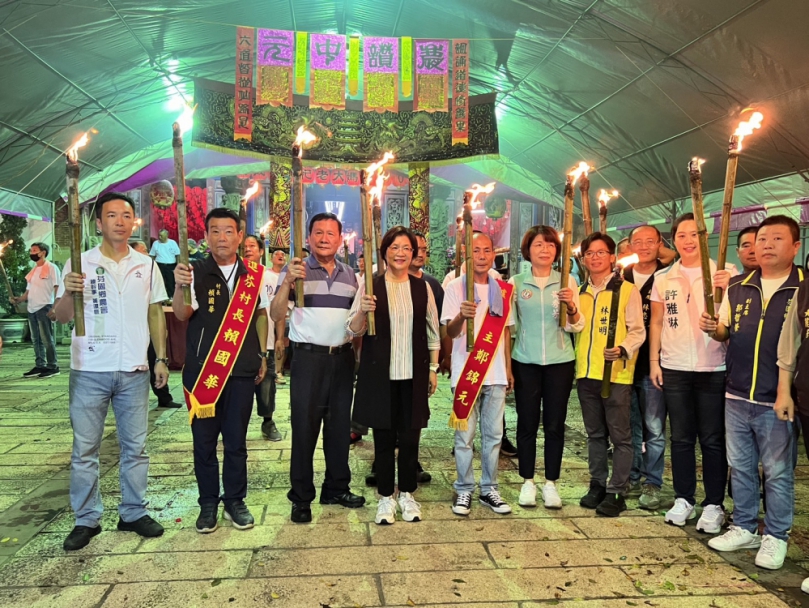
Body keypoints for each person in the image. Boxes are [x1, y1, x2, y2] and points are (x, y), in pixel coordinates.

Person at [53, 192, 168, 550]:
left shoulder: (146, 265)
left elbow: (155, 313)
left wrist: (160, 358)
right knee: (85, 449)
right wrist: (68, 295)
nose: (120, 221)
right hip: (89, 368)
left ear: (134, 221)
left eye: (126, 215)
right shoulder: (79, 262)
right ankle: (86, 518)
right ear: (98, 223)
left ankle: (133, 511)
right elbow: (60, 317)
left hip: (133, 368)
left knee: (136, 447)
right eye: (112, 215)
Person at [700, 216, 801, 569]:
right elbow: (726, 331)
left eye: (777, 238)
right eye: (761, 239)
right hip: (737, 392)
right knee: (740, 466)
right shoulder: (739, 286)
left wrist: (787, 391)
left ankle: (776, 535)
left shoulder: (803, 288)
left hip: (779, 398)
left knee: (776, 471)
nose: (767, 245)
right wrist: (713, 328)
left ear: (796, 246)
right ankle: (744, 525)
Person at [173, 208, 269, 534]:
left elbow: (260, 316)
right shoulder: (195, 271)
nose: (222, 238)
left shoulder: (254, 274)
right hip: (204, 373)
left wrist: (263, 354)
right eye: (215, 231)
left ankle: (235, 500)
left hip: (242, 371)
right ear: (206, 236)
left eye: (229, 231)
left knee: (236, 442)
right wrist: (179, 286)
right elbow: (182, 313)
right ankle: (208, 503)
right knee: (203, 443)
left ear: (240, 236)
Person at [271, 212, 364, 523]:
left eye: (331, 233)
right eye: (319, 233)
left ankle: (336, 487)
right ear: (308, 238)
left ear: (340, 239)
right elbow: (275, 313)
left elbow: (356, 323)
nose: (325, 238)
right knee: (304, 428)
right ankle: (301, 497)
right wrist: (287, 281)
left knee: (339, 428)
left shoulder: (352, 276)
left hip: (342, 358)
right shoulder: (296, 271)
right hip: (308, 360)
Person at [348, 226, 440, 524]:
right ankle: (386, 497)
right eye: (394, 248)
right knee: (384, 438)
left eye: (406, 248)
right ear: (384, 251)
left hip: (413, 374)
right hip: (380, 375)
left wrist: (434, 368)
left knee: (411, 435)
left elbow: (433, 332)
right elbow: (351, 329)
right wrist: (363, 311)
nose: (400, 253)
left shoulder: (421, 287)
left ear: (414, 254)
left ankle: (408, 494)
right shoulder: (371, 286)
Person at [649, 213, 733, 532]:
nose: (687, 241)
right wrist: (655, 362)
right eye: (681, 235)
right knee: (681, 437)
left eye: (693, 234)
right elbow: (657, 321)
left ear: (705, 235)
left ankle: (714, 503)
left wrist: (720, 326)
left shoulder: (724, 274)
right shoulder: (665, 278)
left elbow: (731, 325)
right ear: (674, 240)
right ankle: (684, 497)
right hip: (675, 367)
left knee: (712, 439)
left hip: (713, 367)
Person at [509, 226, 583, 509]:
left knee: (554, 424)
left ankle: (551, 483)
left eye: (550, 245)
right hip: (525, 361)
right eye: (538, 244)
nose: (545, 249)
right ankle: (527, 481)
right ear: (528, 250)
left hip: (559, 363)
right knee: (527, 423)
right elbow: (510, 326)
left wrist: (572, 307)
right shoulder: (516, 283)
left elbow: (576, 325)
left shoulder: (568, 283)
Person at [444, 232, 514, 516]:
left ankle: (489, 488)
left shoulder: (502, 289)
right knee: (464, 437)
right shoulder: (455, 287)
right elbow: (448, 331)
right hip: (465, 373)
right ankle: (464, 488)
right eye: (476, 250)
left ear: (494, 254)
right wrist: (462, 315)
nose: (483, 255)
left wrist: (508, 369)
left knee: (494, 434)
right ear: (466, 253)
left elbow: (506, 332)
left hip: (495, 373)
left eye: (487, 250)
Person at [575, 232, 645, 517]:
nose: (595, 257)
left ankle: (618, 489)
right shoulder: (580, 292)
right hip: (586, 372)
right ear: (583, 259)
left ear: (612, 256)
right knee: (594, 434)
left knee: (620, 436)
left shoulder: (627, 290)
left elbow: (638, 331)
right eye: (589, 253)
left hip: (616, 374)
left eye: (601, 252)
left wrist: (622, 349)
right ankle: (597, 483)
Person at [624, 226, 668, 509]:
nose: (643, 246)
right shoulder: (621, 278)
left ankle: (653, 482)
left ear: (659, 244)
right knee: (628, 427)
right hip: (625, 363)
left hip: (656, 364)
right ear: (630, 245)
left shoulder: (667, 276)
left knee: (654, 427)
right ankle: (630, 475)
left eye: (649, 241)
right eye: (637, 241)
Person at [131, 240, 182, 409]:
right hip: (132, 333)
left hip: (149, 330)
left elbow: (156, 309)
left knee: (156, 361)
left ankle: (164, 397)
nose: (147, 252)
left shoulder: (150, 269)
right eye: (143, 250)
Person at [243, 236, 284, 441]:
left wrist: (279, 336)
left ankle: (268, 421)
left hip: (265, 339)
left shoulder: (270, 277)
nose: (248, 250)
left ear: (261, 252)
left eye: (252, 246)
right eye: (244, 247)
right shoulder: (236, 275)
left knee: (266, 384)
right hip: (238, 341)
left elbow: (277, 310)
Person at [11, 242, 61, 378]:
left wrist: (56, 307)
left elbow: (58, 288)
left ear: (43, 252)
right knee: (36, 339)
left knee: (46, 338)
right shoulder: (33, 270)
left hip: (45, 306)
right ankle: (40, 365)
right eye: (31, 250)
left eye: (34, 250)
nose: (31, 253)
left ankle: (53, 366)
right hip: (32, 308)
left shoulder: (52, 268)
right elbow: (28, 291)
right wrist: (19, 299)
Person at [268, 249, 290, 384]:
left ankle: (278, 370)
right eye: (277, 254)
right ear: (271, 258)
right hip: (269, 314)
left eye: (283, 254)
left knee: (282, 343)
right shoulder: (265, 274)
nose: (280, 256)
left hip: (286, 315)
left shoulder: (288, 275)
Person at [150, 229, 180, 296]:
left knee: (170, 282)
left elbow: (178, 255)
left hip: (171, 265)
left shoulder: (172, 243)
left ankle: (171, 296)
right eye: (159, 235)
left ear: (167, 236)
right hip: (159, 265)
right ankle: (160, 297)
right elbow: (152, 255)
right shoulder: (155, 243)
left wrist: (178, 265)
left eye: (162, 236)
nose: (160, 237)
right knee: (159, 282)